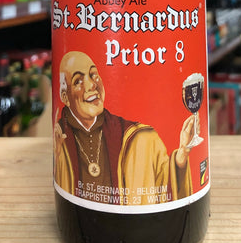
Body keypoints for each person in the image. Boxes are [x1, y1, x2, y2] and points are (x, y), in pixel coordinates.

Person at [54, 50, 198, 205]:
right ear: (65, 97)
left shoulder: (140, 138)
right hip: (76, 212)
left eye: (93, 74)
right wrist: (59, 158)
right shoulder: (60, 140)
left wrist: (182, 154)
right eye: (78, 81)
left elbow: (162, 186)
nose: (92, 85)